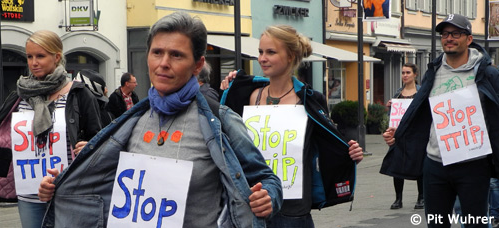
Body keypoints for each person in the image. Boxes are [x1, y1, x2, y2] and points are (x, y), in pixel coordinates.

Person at [38, 12, 282, 228]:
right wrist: (61, 184)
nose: (163, 63)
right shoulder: (131, 120)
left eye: (176, 55)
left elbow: (268, 180)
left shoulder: (221, 120)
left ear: (197, 64)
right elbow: (104, 187)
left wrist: (267, 197)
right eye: (157, 52)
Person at [220, 25, 364, 227]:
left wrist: (350, 154)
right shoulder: (246, 95)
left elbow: (329, 144)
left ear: (291, 56)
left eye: (271, 52)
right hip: (249, 204)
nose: (262, 58)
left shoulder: (310, 101)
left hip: (293, 212)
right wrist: (228, 89)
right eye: (260, 52)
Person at [0, 30, 102, 228]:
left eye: (40, 56)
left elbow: (99, 139)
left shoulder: (79, 94)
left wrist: (89, 146)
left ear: (56, 57)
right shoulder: (20, 94)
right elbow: (5, 134)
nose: (34, 62)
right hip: (29, 193)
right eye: (30, 56)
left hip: (66, 189)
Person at [381, 14, 499, 228]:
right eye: (445, 34)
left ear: (469, 39)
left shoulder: (487, 73)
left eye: (456, 33)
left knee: (475, 224)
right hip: (436, 163)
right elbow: (421, 113)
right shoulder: (433, 73)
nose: (449, 38)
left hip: (473, 164)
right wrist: (398, 134)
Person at [383, 63, 424, 210]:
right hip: (399, 135)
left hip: (416, 135)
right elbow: (392, 117)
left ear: (415, 75)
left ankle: (421, 197)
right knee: (397, 165)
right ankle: (398, 198)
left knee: (419, 166)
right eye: (403, 73)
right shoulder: (397, 94)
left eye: (408, 72)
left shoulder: (421, 92)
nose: (405, 75)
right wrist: (390, 107)